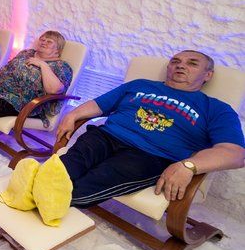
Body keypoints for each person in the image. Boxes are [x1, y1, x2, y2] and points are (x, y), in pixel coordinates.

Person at [55, 50, 245, 207]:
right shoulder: (139, 85)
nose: (180, 65)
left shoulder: (217, 108)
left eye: (192, 63)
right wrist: (72, 115)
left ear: (208, 74)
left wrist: (189, 166)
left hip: (151, 156)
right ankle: (46, 195)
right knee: (66, 166)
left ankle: (51, 202)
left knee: (94, 182)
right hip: (106, 136)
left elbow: (235, 153)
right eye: (175, 61)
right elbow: (99, 104)